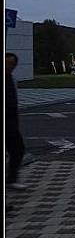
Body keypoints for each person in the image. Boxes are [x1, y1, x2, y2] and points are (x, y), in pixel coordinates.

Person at [5, 53, 27, 190]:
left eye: (12, 64)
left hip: (11, 120)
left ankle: (11, 178)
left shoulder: (12, 79)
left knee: (18, 149)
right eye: (7, 63)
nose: (9, 66)